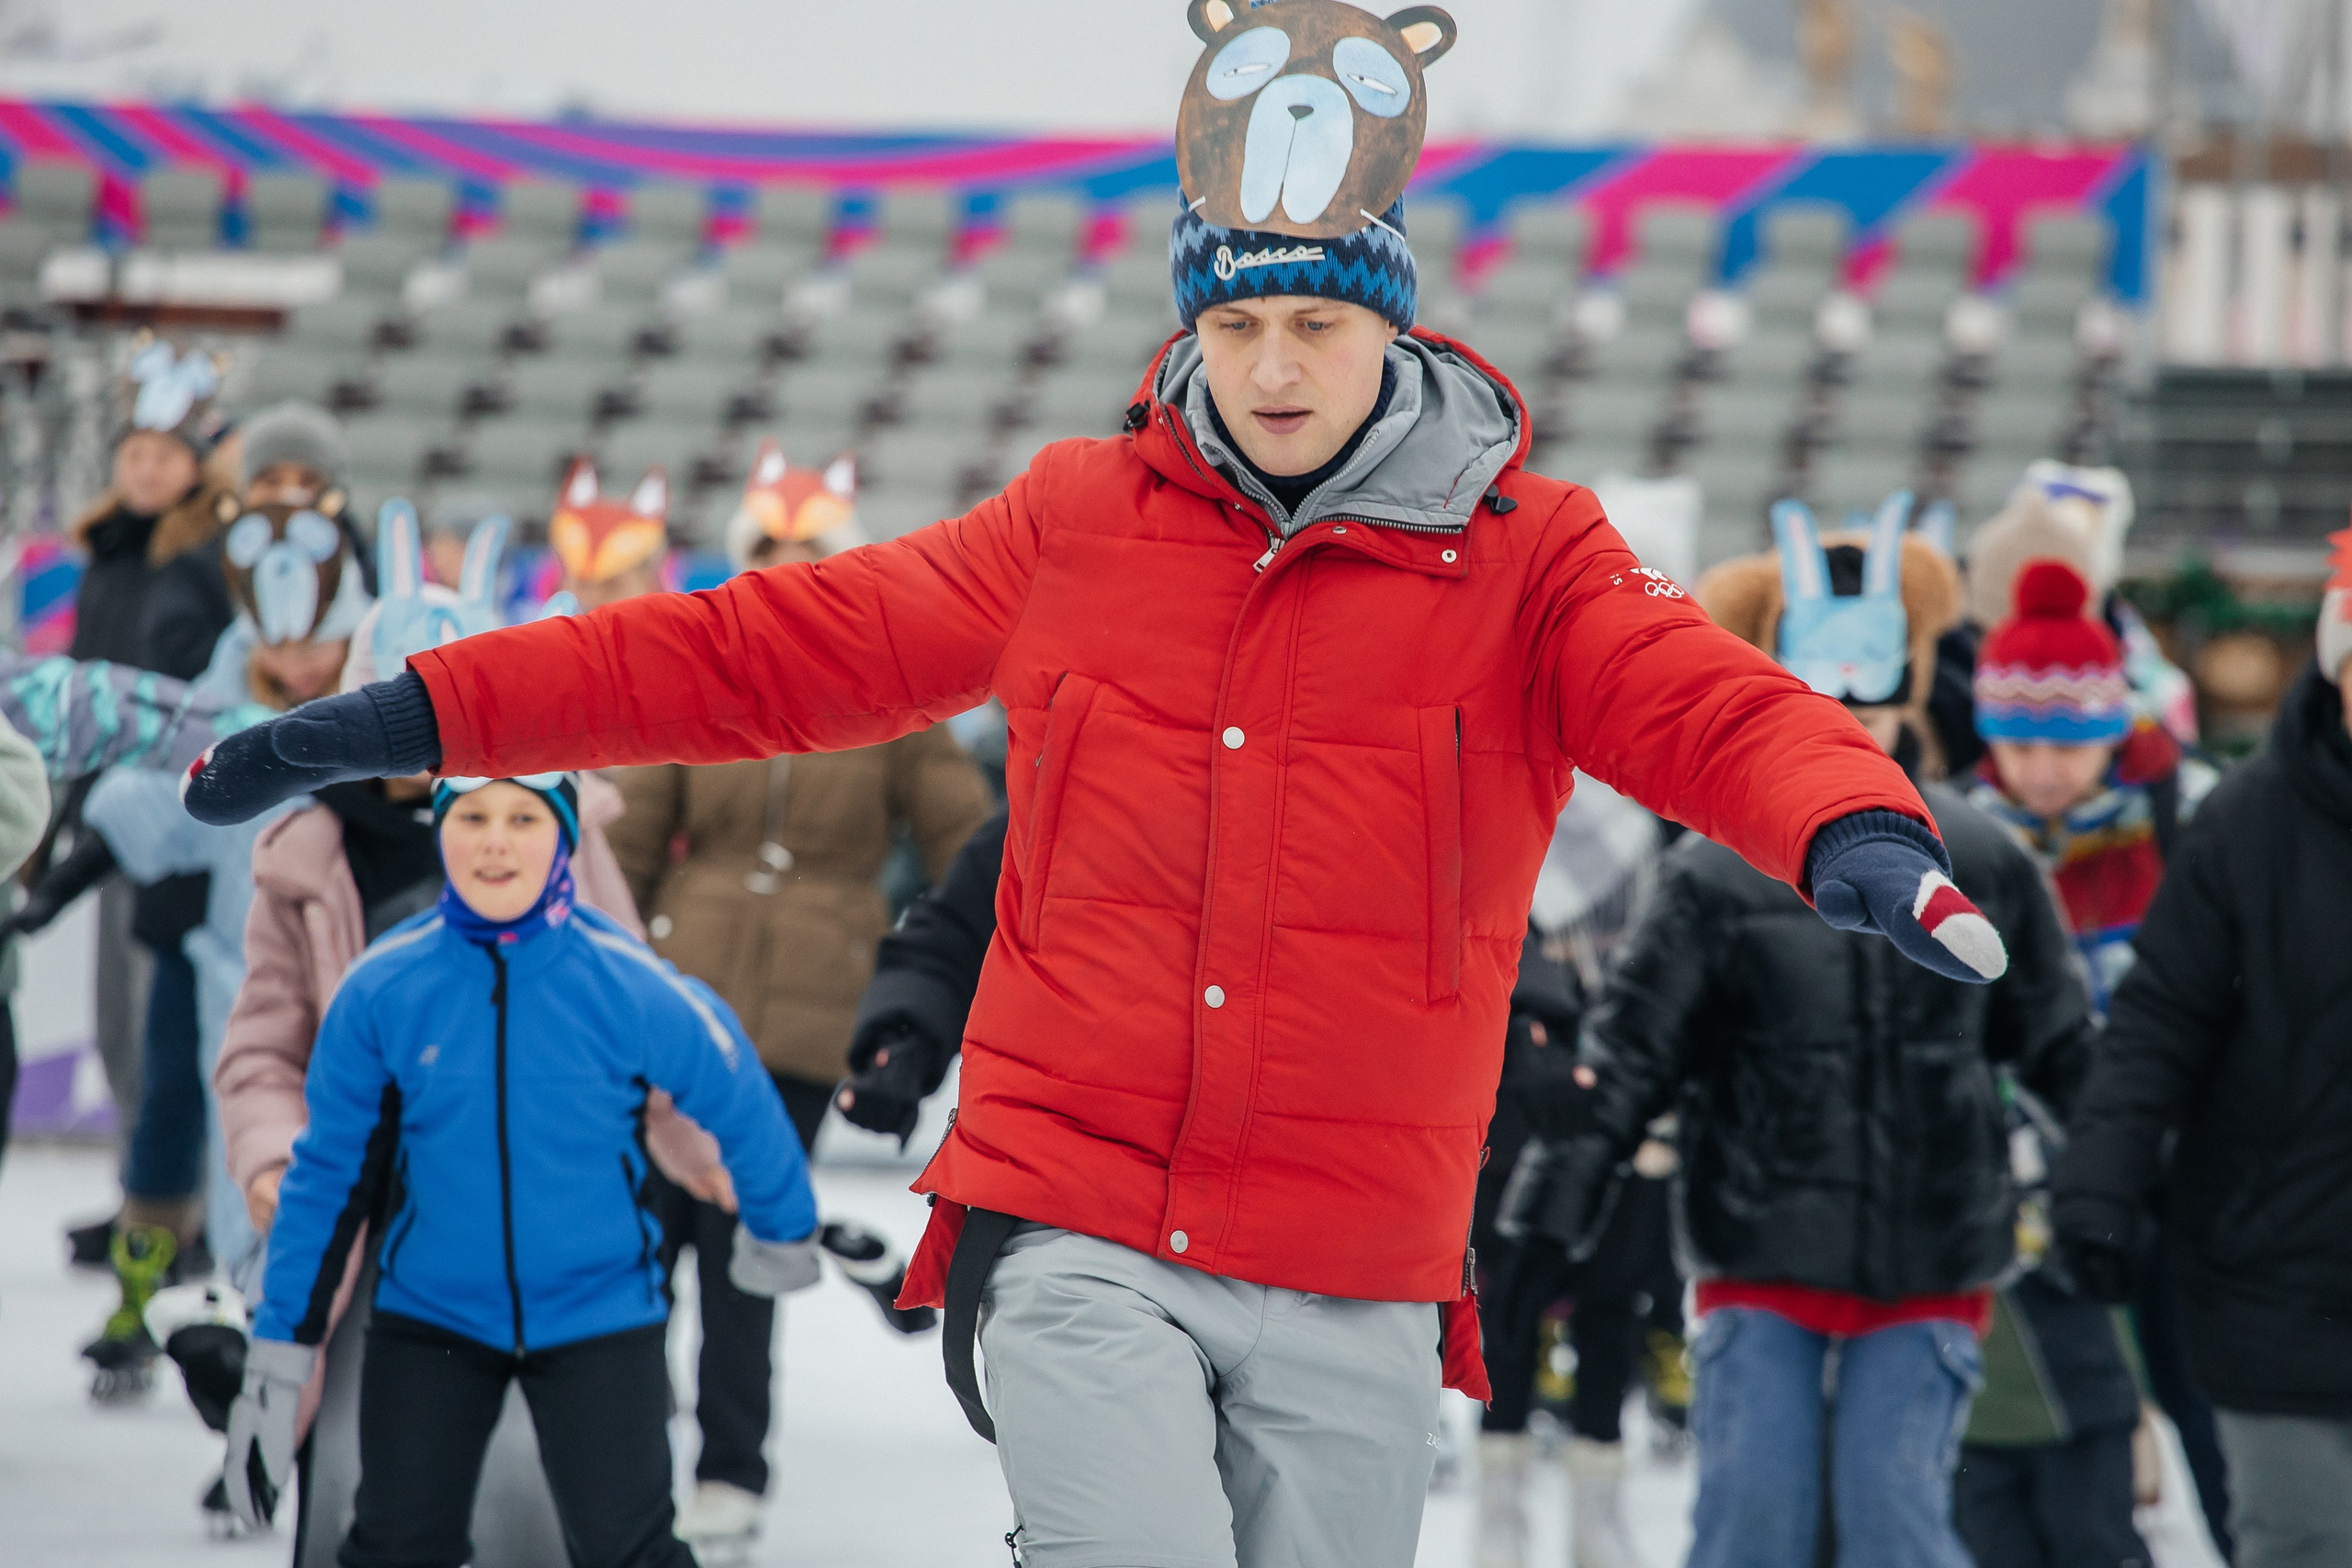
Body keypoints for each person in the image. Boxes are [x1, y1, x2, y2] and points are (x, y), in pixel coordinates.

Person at [183, 8, 2016, 1556]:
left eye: (1314, 324)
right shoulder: (1077, 521)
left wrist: (1849, 816)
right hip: (1074, 1220)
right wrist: (423, 712)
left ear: (1392, 323)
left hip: (1355, 1250)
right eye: (1235, 329)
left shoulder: (1527, 558)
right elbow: (747, 648)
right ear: (1187, 328)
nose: (1274, 366)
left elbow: (1706, 702)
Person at [1500, 503, 2090, 1568]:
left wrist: (2115, 1188)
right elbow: (1636, 1053)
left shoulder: (1983, 858)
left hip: (1930, 1246)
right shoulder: (1712, 876)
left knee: (1891, 1522)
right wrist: (1553, 1206)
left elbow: (2056, 1042)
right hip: (1757, 1242)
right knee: (1750, 1526)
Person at [207, 506, 722, 1561]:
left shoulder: (548, 839)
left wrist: (717, 1155)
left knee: (537, 1495)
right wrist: (270, 1158)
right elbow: (263, 1047)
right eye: (389, 707)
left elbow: (637, 1020)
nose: (408, 741)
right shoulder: (307, 853)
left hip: (542, 1217)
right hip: (376, 1226)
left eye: (432, 710)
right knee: (379, 1490)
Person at [219, 771, 822, 1568]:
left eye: (522, 817)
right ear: (443, 832)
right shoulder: (384, 989)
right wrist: (278, 1356)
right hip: (432, 1319)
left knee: (630, 1551)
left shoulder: (624, 980)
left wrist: (780, 1230)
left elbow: (739, 1092)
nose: (495, 839)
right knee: (395, 1547)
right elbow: (325, 1181)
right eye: (471, 815)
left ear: (564, 836)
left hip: (599, 1319)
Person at [604, 442, 989, 1551]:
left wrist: (913, 951)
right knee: (635, 1231)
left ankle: (730, 1466)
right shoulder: (704, 666)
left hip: (814, 1005)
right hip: (679, 985)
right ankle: (626, 1444)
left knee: (741, 1233)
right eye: (766, 548)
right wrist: (614, 957)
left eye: (807, 548)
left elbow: (970, 840)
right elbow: (625, 834)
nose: (784, 565)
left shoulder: (896, 688)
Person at [2052, 531, 2352, 1568]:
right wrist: (2098, 1182)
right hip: (2272, 1275)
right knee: (2300, 1545)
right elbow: (2158, 1022)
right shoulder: (2246, 825)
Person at [82, 493, 373, 1397]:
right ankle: (259, 1362)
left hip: (365, 994)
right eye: (276, 644)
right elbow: (151, 814)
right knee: (252, 1168)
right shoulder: (222, 719)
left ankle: (355, 1369)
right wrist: (132, 775)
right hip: (241, 991)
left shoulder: (381, 727)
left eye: (314, 642)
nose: (295, 662)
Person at [44, 339, 237, 1272]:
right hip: (101, 803)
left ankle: (186, 1204)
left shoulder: (200, 560)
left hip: (166, 804)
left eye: (164, 454)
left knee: (167, 1013)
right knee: (116, 1010)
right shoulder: (106, 556)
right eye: (134, 454)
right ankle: (140, 1193)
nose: (145, 469)